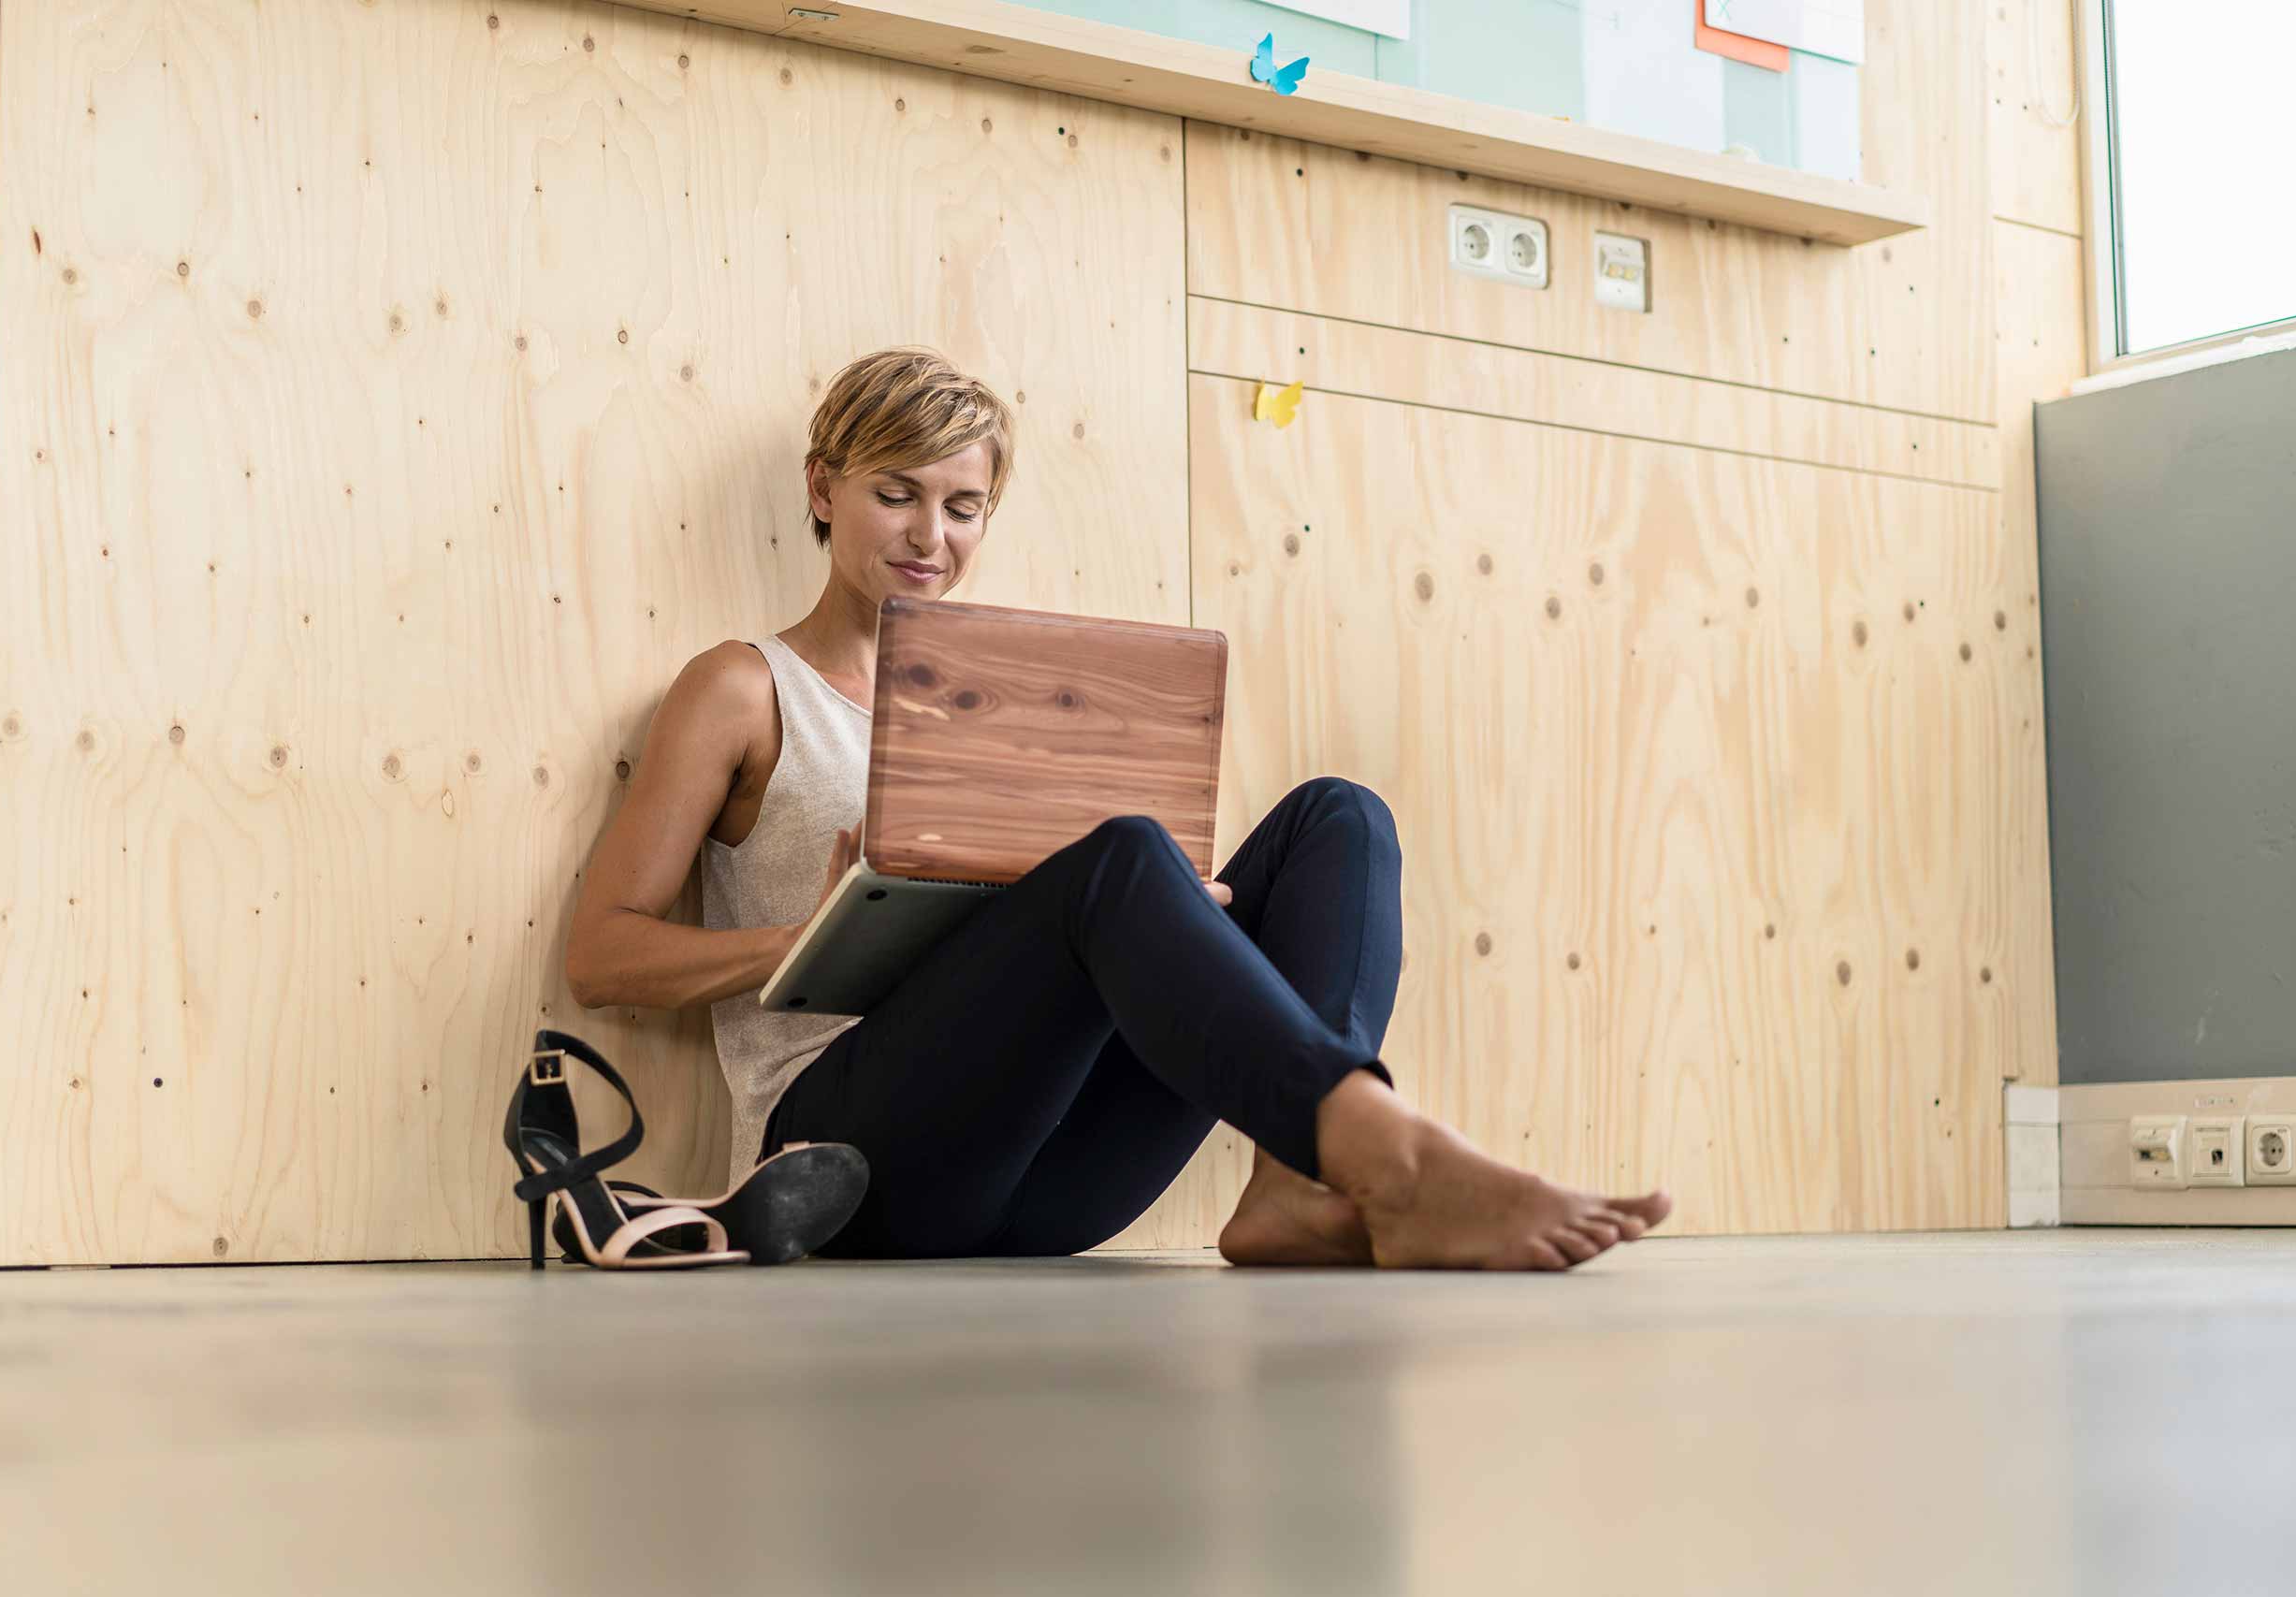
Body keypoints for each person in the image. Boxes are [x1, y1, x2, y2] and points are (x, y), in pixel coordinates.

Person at [563, 348, 1670, 1269]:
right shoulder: (745, 688)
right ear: (822, 489)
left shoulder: (1005, 696)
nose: (926, 538)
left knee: (1339, 815)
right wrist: (806, 940)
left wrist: (1157, 917)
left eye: (962, 508)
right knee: (1118, 857)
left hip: (1055, 1182)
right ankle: (1384, 1150)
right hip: (848, 1164)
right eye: (893, 495)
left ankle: (1290, 1178)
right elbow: (601, 959)